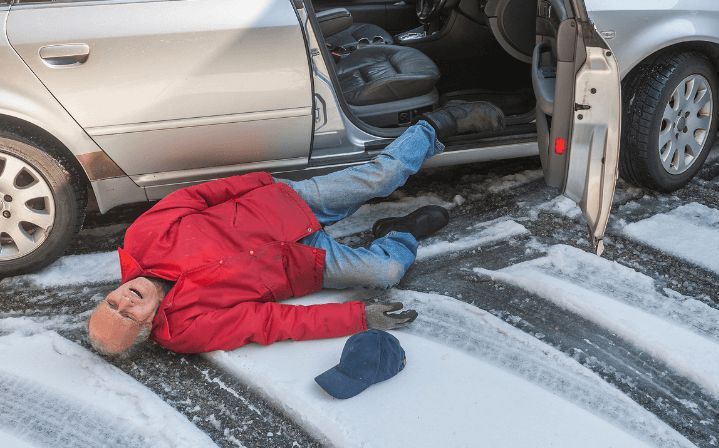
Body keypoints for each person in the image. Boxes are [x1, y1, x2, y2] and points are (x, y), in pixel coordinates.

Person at [86, 102, 504, 357]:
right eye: (128, 315)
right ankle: (401, 231)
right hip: (299, 264)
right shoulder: (185, 329)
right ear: (148, 325)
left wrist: (260, 184)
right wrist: (359, 316)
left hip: (281, 207)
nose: (124, 300)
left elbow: (198, 196)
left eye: (111, 304)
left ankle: (437, 124)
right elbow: (273, 323)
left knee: (381, 178)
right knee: (384, 274)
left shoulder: (141, 240)